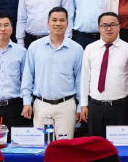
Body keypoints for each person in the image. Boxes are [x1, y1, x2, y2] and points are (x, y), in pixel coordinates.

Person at [21, 7, 82, 140]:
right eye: (54, 20)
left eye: (62, 20)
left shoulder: (76, 49)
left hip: (66, 106)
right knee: (42, 146)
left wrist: (80, 106)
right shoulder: (35, 47)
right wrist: (27, 102)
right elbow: (28, 76)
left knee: (64, 147)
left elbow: (79, 80)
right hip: (41, 105)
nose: (58, 23)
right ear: (48, 23)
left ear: (67, 24)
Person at [78, 12, 128, 138]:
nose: (109, 29)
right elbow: (85, 78)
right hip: (95, 106)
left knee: (120, 145)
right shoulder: (90, 49)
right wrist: (84, 105)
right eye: (104, 25)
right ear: (99, 28)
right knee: (96, 145)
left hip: (120, 106)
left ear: (119, 27)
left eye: (113, 25)